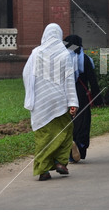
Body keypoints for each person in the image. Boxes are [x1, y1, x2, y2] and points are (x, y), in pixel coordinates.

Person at [23, 23, 79, 181]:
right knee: (66, 132)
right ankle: (61, 162)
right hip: (59, 100)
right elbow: (69, 80)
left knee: (43, 136)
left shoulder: (36, 53)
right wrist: (72, 102)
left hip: (41, 102)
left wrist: (30, 95)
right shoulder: (64, 53)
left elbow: (27, 75)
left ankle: (43, 170)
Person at [64, 35, 103, 163]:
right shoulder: (85, 59)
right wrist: (98, 100)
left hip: (66, 94)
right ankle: (79, 146)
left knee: (68, 121)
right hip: (82, 94)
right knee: (83, 122)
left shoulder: (63, 59)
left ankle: (68, 151)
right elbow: (93, 81)